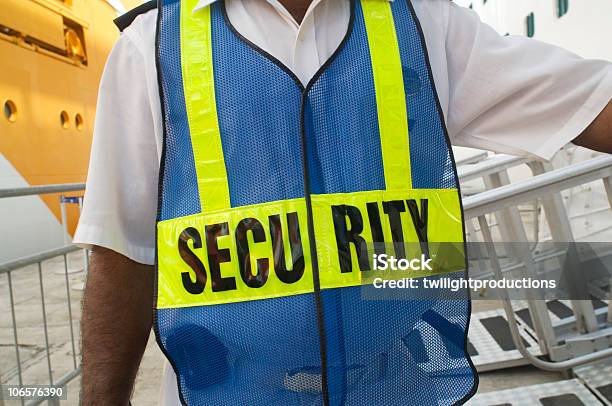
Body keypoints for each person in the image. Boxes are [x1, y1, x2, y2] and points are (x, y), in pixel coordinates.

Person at [75, 0, 612, 405]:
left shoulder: (421, 21)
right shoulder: (154, 42)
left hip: (400, 382)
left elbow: (591, 100)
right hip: (231, 391)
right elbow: (122, 254)